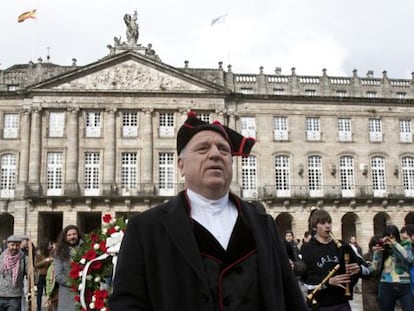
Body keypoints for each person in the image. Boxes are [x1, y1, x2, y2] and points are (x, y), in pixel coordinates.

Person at [109, 111, 307, 310]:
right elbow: (127, 304)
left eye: (223, 149)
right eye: (203, 149)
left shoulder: (263, 224)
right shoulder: (146, 228)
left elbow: (292, 299)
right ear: (181, 165)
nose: (215, 154)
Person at [299, 209, 370, 311]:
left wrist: (359, 269)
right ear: (314, 227)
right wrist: (328, 281)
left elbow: (364, 266)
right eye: (323, 223)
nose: (327, 226)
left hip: (342, 303)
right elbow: (306, 279)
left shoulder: (343, 246)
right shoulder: (307, 248)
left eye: (329, 222)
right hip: (319, 304)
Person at [370, 224, 414, 311]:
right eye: (388, 238)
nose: (390, 240)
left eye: (393, 237)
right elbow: (374, 268)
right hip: (386, 285)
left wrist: (394, 244)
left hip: (404, 285)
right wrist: (376, 254)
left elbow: (410, 259)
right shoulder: (383, 249)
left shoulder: (404, 246)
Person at [54, 225, 82, 311]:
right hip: (67, 294)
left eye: (74, 234)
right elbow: (58, 275)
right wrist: (74, 283)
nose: (72, 237)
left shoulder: (85, 249)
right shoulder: (60, 253)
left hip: (84, 293)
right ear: (65, 237)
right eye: (69, 235)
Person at [0, 234, 27, 311]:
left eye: (17, 245)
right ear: (7, 244)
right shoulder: (1, 258)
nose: (14, 247)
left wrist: (32, 272)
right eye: (12, 245)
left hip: (15, 297)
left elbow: (32, 277)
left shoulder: (24, 259)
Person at [361, 235, 381, 311]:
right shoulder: (365, 257)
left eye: (379, 246)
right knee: (371, 307)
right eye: (375, 246)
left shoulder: (385, 256)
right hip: (369, 288)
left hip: (382, 286)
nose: (377, 248)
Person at [35, 242, 53, 311]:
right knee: (39, 293)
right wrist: (45, 260)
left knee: (48, 292)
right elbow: (36, 265)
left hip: (48, 275)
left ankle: (49, 307)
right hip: (41, 275)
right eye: (49, 244)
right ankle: (38, 308)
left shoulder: (50, 253)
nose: (50, 245)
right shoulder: (38, 254)